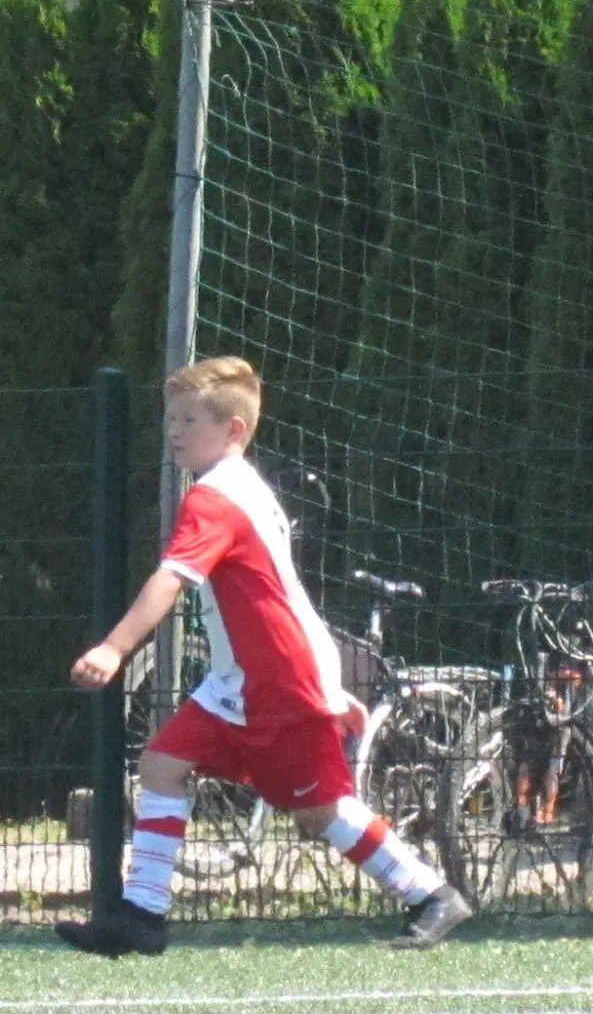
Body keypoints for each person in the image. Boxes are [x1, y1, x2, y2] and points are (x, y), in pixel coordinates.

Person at [55, 357, 471, 956]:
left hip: (275, 681)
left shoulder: (216, 498)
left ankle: (431, 895)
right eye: (170, 417)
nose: (174, 431)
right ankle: (141, 915)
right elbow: (281, 592)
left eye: (190, 419)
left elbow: (171, 579)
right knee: (163, 765)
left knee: (321, 810)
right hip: (245, 679)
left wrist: (114, 647)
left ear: (234, 430)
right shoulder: (239, 486)